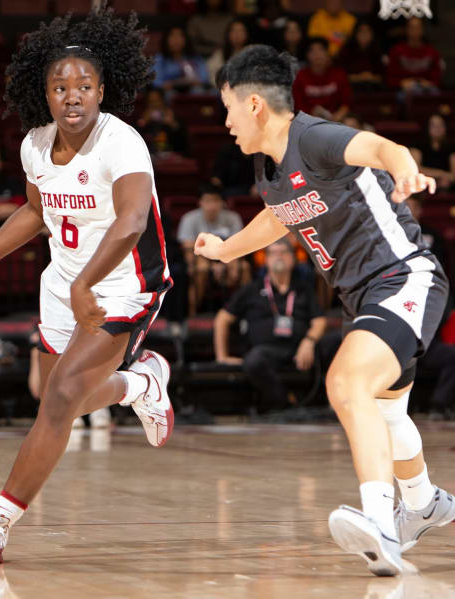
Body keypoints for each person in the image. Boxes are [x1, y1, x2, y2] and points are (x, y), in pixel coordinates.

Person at [195, 44, 454, 576]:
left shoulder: (313, 138)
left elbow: (383, 147)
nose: (224, 123)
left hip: (403, 276)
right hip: (361, 296)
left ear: (255, 106)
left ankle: (382, 520)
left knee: (345, 382)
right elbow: (277, 219)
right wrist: (224, 249)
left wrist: (405, 171)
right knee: (387, 412)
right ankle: (424, 502)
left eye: (227, 109)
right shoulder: (269, 169)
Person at [0, 8, 174, 564]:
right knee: (53, 393)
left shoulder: (121, 144)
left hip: (123, 287)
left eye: (83, 85)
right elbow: (36, 212)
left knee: (58, 401)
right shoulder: (34, 145)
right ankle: (140, 386)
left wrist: (88, 285)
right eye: (60, 86)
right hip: (62, 284)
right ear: (46, 94)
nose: (72, 95)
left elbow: (130, 223)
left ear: (103, 90)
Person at [214, 238, 326, 412]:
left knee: (339, 343)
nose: (278, 257)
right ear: (265, 260)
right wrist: (222, 356)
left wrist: (309, 341)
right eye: (273, 253)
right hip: (266, 350)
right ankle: (286, 403)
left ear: (293, 258)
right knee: (253, 361)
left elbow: (319, 320)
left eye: (284, 252)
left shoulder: (303, 288)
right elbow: (222, 318)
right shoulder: (252, 289)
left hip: (299, 348)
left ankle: (331, 404)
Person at [405, 196, 455, 414]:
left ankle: (439, 405)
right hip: (400, 340)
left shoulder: (431, 236)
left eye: (413, 205)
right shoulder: (389, 232)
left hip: (428, 342)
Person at [177, 185, 248, 315]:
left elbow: (239, 245)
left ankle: (243, 311)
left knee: (243, 267)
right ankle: (193, 313)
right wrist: (212, 264)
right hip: (200, 258)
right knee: (200, 269)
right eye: (207, 201)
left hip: (228, 257)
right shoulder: (189, 218)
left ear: (222, 203)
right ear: (200, 203)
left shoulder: (233, 217)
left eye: (215, 201)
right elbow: (188, 250)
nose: (212, 206)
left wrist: (223, 263)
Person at [293, 37, 351, 123]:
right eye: (312, 51)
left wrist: (336, 118)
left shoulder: (339, 74)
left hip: (336, 121)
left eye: (321, 50)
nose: (317, 54)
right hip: (309, 122)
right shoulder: (300, 76)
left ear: (327, 53)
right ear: (307, 55)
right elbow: (298, 107)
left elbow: (346, 104)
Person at [386, 17, 441, 94]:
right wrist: (401, 83)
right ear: (407, 30)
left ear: (422, 30)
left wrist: (428, 83)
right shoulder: (397, 51)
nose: (415, 31)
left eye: (418, 27)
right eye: (412, 27)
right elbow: (390, 78)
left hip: (426, 89)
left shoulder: (432, 52)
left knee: (435, 92)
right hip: (403, 90)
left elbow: (437, 78)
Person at [153, 26, 210, 95]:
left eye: (180, 36)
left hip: (192, 89)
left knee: (198, 91)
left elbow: (204, 78)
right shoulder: (160, 58)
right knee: (169, 94)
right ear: (166, 40)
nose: (176, 40)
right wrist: (169, 84)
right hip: (168, 91)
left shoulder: (195, 57)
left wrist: (196, 81)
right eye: (172, 36)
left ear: (186, 39)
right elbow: (156, 82)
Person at [135, 87, 188, 157]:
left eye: (157, 101)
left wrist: (172, 124)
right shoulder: (144, 118)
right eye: (151, 102)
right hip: (151, 155)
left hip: (171, 155)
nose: (154, 105)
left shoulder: (172, 116)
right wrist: (144, 121)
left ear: (163, 101)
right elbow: (136, 138)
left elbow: (183, 143)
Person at [336, 19, 384, 91]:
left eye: (368, 31)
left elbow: (383, 76)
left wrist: (371, 77)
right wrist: (359, 77)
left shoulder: (377, 50)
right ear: (355, 33)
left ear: (373, 34)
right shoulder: (346, 50)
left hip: (373, 88)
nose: (364, 34)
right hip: (351, 88)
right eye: (361, 31)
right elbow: (339, 75)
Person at [410, 114, 455, 191]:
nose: (438, 128)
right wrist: (441, 174)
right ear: (427, 127)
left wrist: (446, 179)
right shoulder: (417, 146)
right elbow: (415, 169)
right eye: (433, 125)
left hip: (447, 185)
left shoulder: (452, 147)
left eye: (441, 125)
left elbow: (453, 175)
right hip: (422, 184)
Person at [207, 19, 249, 86]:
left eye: (241, 30)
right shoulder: (219, 54)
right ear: (228, 34)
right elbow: (212, 75)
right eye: (234, 31)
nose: (237, 34)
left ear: (247, 34)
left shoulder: (253, 53)